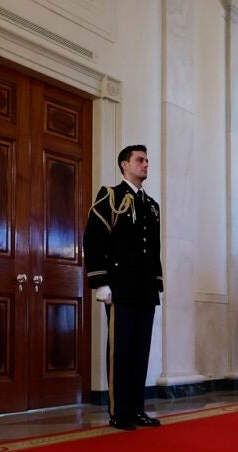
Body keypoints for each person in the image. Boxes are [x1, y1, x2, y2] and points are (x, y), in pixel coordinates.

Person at [83, 145, 163, 431]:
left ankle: (137, 408)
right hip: (120, 288)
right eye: (139, 160)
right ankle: (119, 412)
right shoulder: (111, 196)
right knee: (121, 350)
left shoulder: (151, 205)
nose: (145, 164)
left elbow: (153, 249)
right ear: (124, 165)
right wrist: (100, 282)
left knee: (141, 350)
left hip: (144, 289)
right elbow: (94, 239)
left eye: (147, 160)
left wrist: (157, 282)